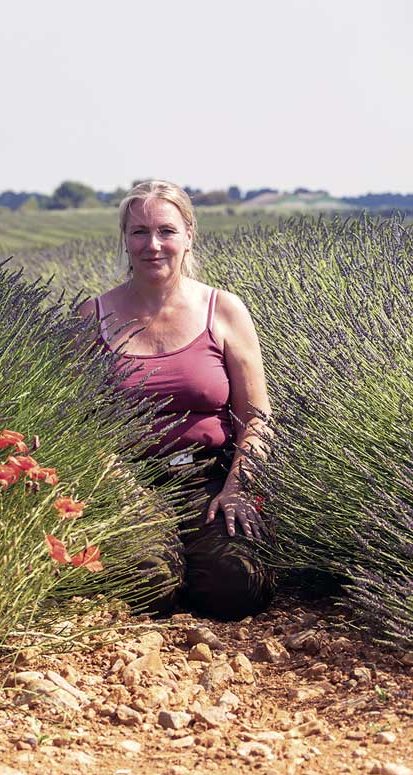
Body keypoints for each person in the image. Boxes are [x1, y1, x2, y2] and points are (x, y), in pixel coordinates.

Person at [79, 179, 274, 621]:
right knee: (146, 584)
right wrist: (120, 492)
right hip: (129, 480)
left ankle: (197, 564)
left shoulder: (224, 310)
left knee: (238, 587)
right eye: (139, 232)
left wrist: (238, 486)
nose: (153, 244)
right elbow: (78, 423)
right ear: (124, 241)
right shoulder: (91, 318)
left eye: (166, 231)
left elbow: (257, 417)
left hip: (210, 478)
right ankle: (169, 568)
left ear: (189, 235)